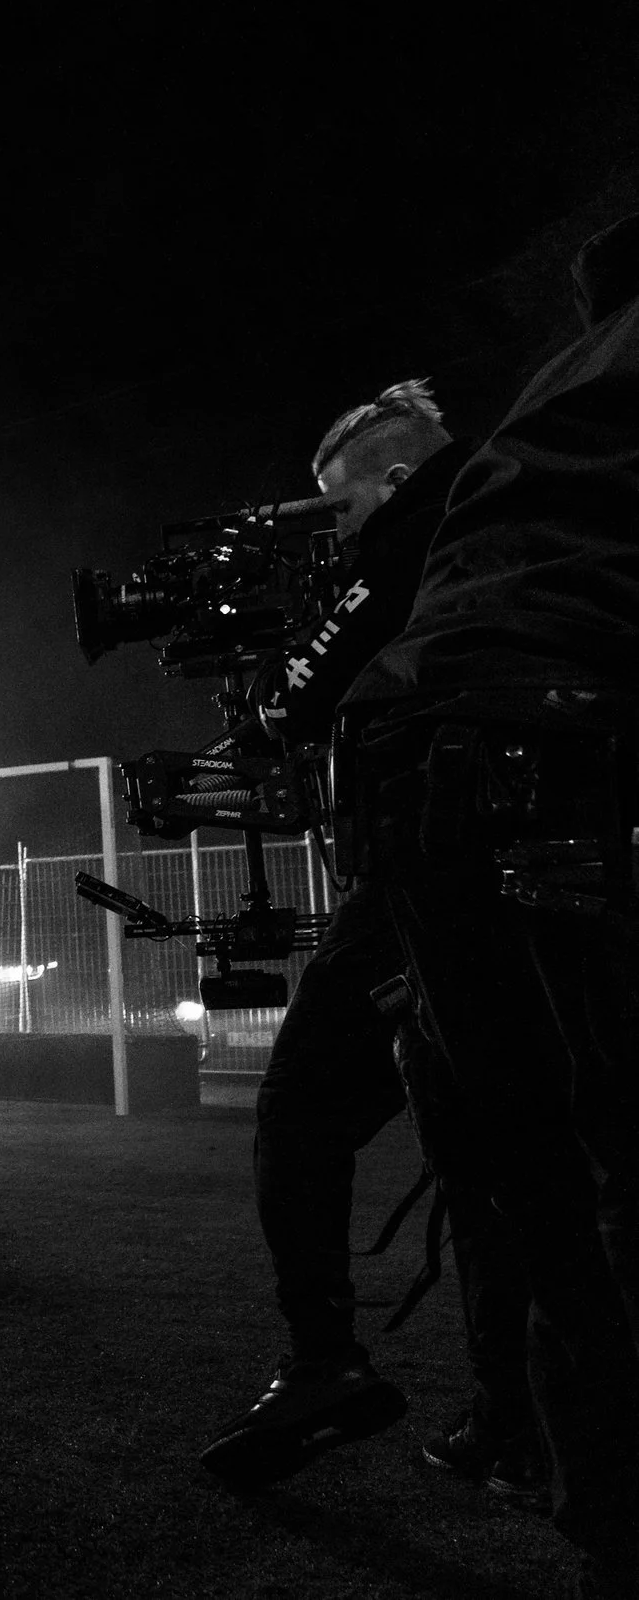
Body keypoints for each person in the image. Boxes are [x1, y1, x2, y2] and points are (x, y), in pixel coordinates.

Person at [334, 214, 639, 1591]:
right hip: (560, 728)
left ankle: (594, 1496)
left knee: (533, 1168)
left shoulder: (549, 393)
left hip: (412, 752)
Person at [201, 381, 539, 1500]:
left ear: (396, 481)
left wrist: (270, 674)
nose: (341, 539)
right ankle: (519, 1418)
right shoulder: (527, 506)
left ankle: (324, 1361)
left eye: (343, 513)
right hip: (536, 865)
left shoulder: (421, 524)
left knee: (300, 1110)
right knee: (493, 1151)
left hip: (432, 871)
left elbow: (289, 700)